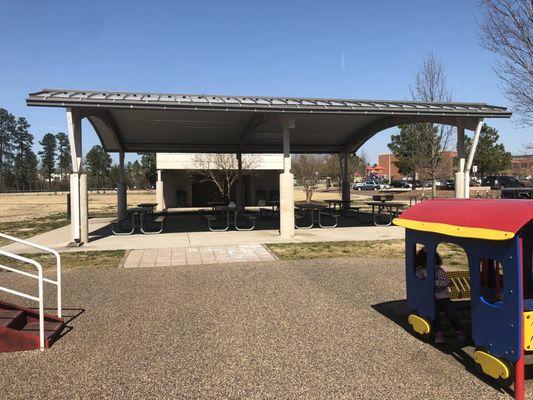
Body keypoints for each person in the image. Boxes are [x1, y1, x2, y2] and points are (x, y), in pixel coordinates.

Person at [414, 248, 467, 345]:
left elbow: (445, 282)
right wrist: (428, 281)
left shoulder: (439, 271)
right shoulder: (421, 271)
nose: (431, 263)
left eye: (433, 260)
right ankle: (439, 334)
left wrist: (434, 283)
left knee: (452, 314)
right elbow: (419, 281)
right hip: (431, 298)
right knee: (435, 316)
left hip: (444, 297)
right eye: (427, 261)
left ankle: (458, 331)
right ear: (423, 262)